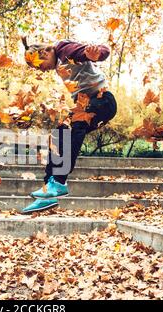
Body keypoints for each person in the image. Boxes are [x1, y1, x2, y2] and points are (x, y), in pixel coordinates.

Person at [21, 38, 117, 214]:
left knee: (74, 127)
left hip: (102, 101)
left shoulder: (64, 49)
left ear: (44, 53)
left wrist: (94, 54)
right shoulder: (58, 62)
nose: (41, 69)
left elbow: (98, 51)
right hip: (86, 104)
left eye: (39, 65)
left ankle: (58, 182)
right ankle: (48, 191)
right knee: (58, 135)